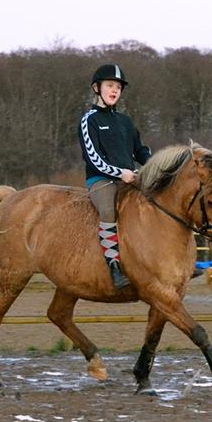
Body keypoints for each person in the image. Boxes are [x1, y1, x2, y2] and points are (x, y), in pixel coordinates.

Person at [79, 63, 152, 289]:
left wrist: (155, 166)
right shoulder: (89, 120)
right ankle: (113, 266)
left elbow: (139, 150)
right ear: (96, 88)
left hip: (130, 178)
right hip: (101, 180)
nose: (114, 91)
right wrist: (120, 173)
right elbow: (93, 158)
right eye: (110, 85)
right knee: (109, 209)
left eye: (118, 88)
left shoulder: (125, 121)